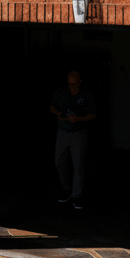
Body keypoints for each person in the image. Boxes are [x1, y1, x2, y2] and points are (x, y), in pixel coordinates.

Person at [49, 70, 96, 210]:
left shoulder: (86, 95)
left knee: (78, 165)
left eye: (74, 84)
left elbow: (93, 115)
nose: (72, 87)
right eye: (69, 84)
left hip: (79, 133)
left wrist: (78, 119)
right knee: (59, 161)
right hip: (63, 132)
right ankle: (67, 189)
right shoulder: (61, 93)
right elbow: (52, 107)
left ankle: (77, 195)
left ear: (79, 82)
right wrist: (60, 114)